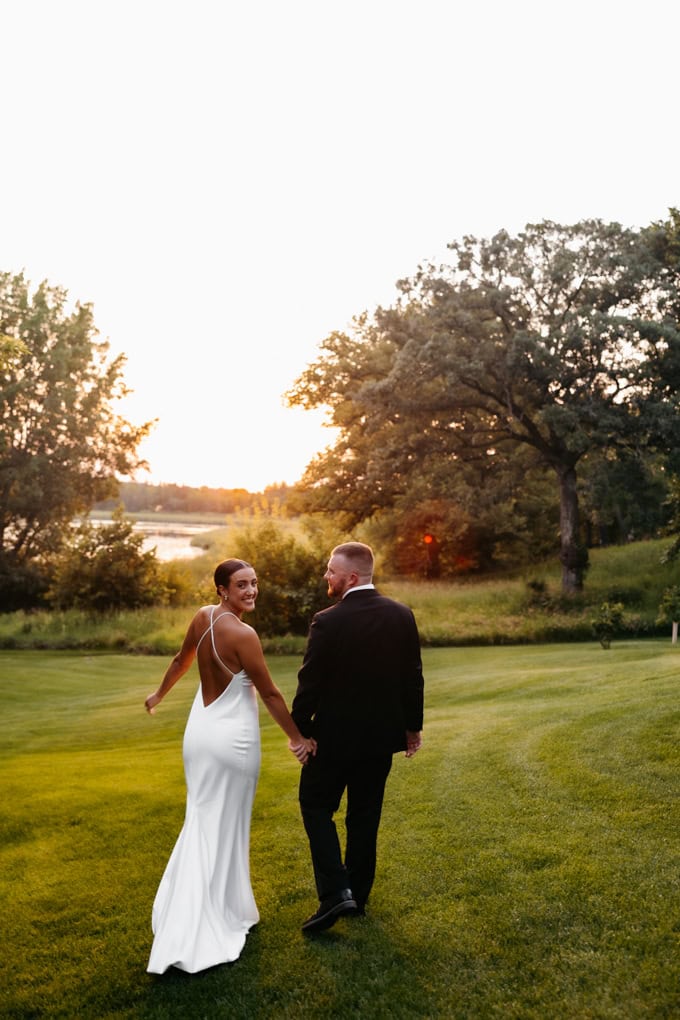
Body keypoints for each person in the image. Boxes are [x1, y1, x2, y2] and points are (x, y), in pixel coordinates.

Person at [144, 558, 315, 974]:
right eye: (242, 585)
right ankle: (205, 920)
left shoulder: (203, 617)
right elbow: (271, 694)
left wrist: (159, 696)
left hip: (199, 732)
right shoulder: (243, 634)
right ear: (222, 588)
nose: (251, 591)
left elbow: (181, 661)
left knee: (205, 821)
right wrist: (299, 739)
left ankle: (223, 905)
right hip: (231, 741)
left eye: (255, 583)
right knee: (222, 826)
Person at [291, 541, 424, 934]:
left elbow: (309, 683)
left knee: (315, 806)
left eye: (331, 571)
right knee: (365, 815)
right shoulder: (402, 614)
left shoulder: (327, 621)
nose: (326, 577)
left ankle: (336, 892)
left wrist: (302, 732)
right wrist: (412, 727)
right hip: (379, 739)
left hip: (333, 740)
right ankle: (357, 896)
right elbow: (412, 677)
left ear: (351, 577)